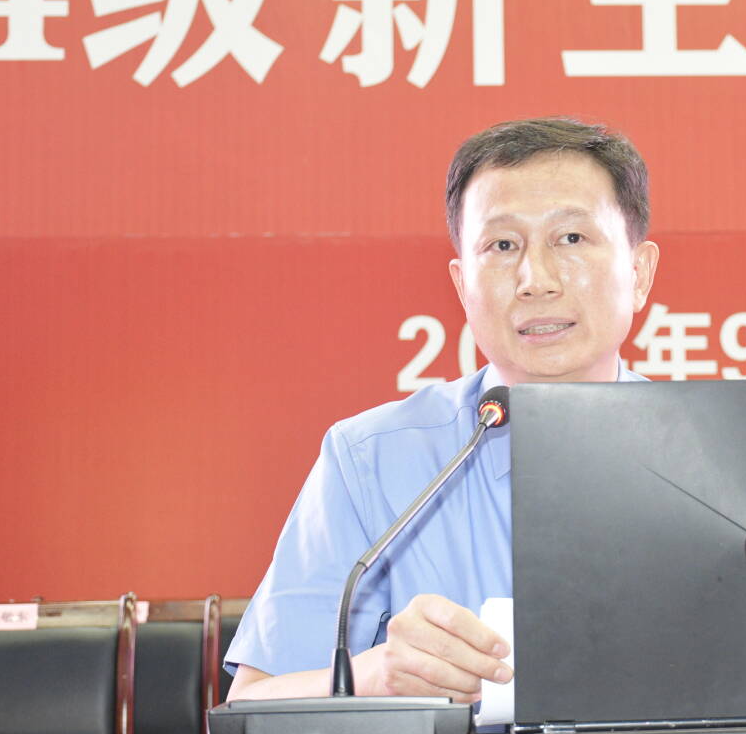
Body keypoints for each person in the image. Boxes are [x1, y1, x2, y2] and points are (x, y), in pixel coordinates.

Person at [225, 117, 660, 703]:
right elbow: (250, 703)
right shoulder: (371, 460)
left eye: (571, 238)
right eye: (502, 246)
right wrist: (371, 678)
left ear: (639, 273)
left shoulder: (718, 455)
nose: (536, 280)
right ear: (461, 286)